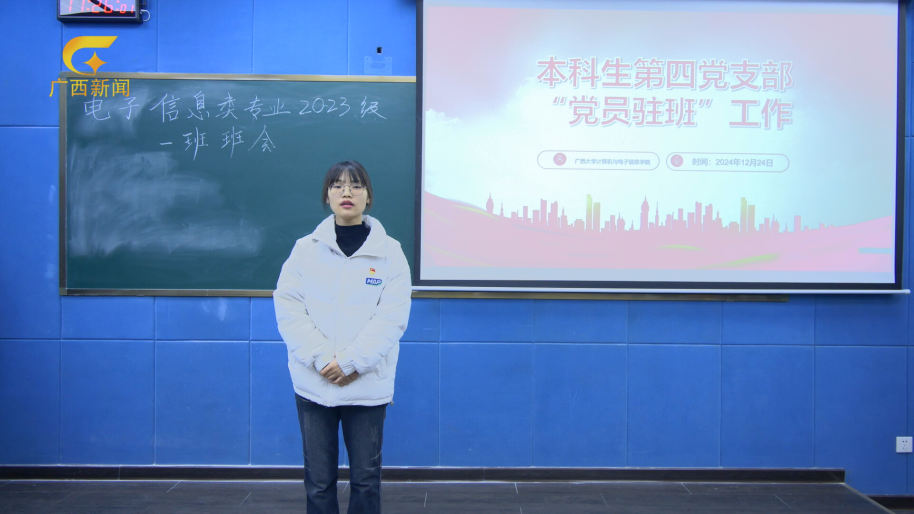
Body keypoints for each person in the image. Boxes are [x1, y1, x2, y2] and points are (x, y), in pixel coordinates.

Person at [273, 160, 411, 514]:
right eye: (337, 185)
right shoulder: (305, 249)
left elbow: (392, 317)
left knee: (366, 479)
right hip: (314, 380)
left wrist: (350, 362)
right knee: (319, 482)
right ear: (327, 196)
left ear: (368, 196)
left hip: (365, 383)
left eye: (356, 185)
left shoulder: (390, 252)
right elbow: (289, 307)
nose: (346, 192)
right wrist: (323, 359)